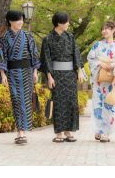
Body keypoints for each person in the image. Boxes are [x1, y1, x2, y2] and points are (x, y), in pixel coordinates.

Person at [0, 10, 40, 144]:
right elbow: (1, 55)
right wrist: (3, 74)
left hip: (27, 72)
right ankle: (20, 131)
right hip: (12, 73)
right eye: (17, 20)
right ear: (10, 21)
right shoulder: (4, 37)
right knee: (16, 101)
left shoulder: (28, 35)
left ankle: (22, 133)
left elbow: (34, 54)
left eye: (21, 20)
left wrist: (35, 71)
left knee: (25, 101)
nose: (20, 22)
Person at [39, 12, 84, 143]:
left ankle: (69, 131)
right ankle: (59, 133)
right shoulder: (47, 39)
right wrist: (49, 77)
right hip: (56, 75)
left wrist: (80, 70)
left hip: (70, 75)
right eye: (67, 22)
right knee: (58, 103)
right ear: (59, 23)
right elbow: (46, 59)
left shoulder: (70, 37)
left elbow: (76, 54)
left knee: (71, 102)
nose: (69, 24)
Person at [87, 21, 115, 143]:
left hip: (111, 80)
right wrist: (99, 63)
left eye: (107, 29)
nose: (104, 31)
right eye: (103, 29)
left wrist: (113, 66)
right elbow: (90, 58)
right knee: (97, 104)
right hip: (99, 80)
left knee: (109, 105)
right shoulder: (97, 45)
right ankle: (98, 130)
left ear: (113, 30)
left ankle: (107, 132)